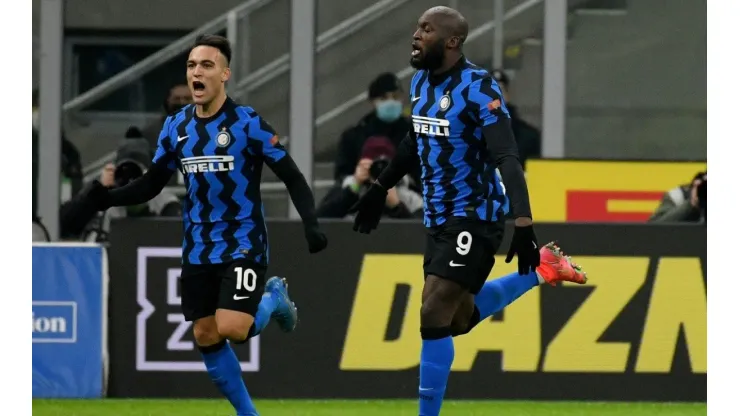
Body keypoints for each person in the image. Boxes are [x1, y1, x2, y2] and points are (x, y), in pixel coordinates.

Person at [349, 7, 587, 416]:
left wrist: (524, 222)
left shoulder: (479, 88)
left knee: (432, 310)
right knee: (457, 319)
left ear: (452, 41)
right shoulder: (422, 82)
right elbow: (414, 140)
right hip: (438, 217)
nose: (416, 35)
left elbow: (507, 156)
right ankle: (542, 270)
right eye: (417, 27)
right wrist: (380, 187)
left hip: (476, 214)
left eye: (426, 29)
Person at [79, 34, 327, 416]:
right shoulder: (176, 127)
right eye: (192, 66)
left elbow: (292, 175)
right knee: (204, 333)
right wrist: (106, 197)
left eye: (206, 65)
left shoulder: (247, 123)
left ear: (224, 74)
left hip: (244, 241)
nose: (197, 72)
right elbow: (152, 183)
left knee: (232, 328)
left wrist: (310, 222)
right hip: (198, 247)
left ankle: (273, 298)